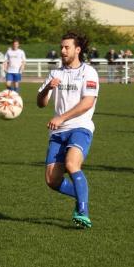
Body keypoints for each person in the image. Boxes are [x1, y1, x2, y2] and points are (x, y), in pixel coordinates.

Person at [37, 32, 99, 229]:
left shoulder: (88, 72)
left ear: (77, 49)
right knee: (51, 180)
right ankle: (82, 193)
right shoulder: (56, 73)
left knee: (72, 164)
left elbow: (88, 102)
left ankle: (83, 212)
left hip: (80, 127)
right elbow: (40, 103)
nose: (62, 51)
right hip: (57, 132)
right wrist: (47, 89)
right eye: (61, 47)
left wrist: (62, 117)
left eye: (67, 47)